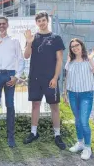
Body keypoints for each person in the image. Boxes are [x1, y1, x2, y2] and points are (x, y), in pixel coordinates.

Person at [23, 11, 66, 150]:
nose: (41, 23)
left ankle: (57, 135)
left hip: (50, 79)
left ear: (47, 21)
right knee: (35, 105)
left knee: (54, 106)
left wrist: (55, 78)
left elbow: (59, 60)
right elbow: (26, 55)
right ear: (36, 23)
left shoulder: (56, 38)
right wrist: (29, 43)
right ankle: (33, 133)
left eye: (43, 20)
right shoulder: (32, 38)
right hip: (35, 78)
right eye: (39, 21)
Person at [0, 15, 24, 148]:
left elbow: (20, 59)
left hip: (9, 75)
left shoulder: (14, 40)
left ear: (7, 25)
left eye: (3, 24)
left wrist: (16, 76)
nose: (1, 26)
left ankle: (10, 136)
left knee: (10, 106)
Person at [63, 38, 94, 160]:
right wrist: (65, 93)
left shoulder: (89, 59)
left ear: (81, 46)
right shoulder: (70, 61)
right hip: (73, 94)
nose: (75, 47)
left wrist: (90, 59)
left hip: (86, 95)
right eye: (72, 46)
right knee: (78, 120)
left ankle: (87, 147)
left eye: (77, 45)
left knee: (84, 121)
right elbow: (67, 78)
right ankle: (80, 143)